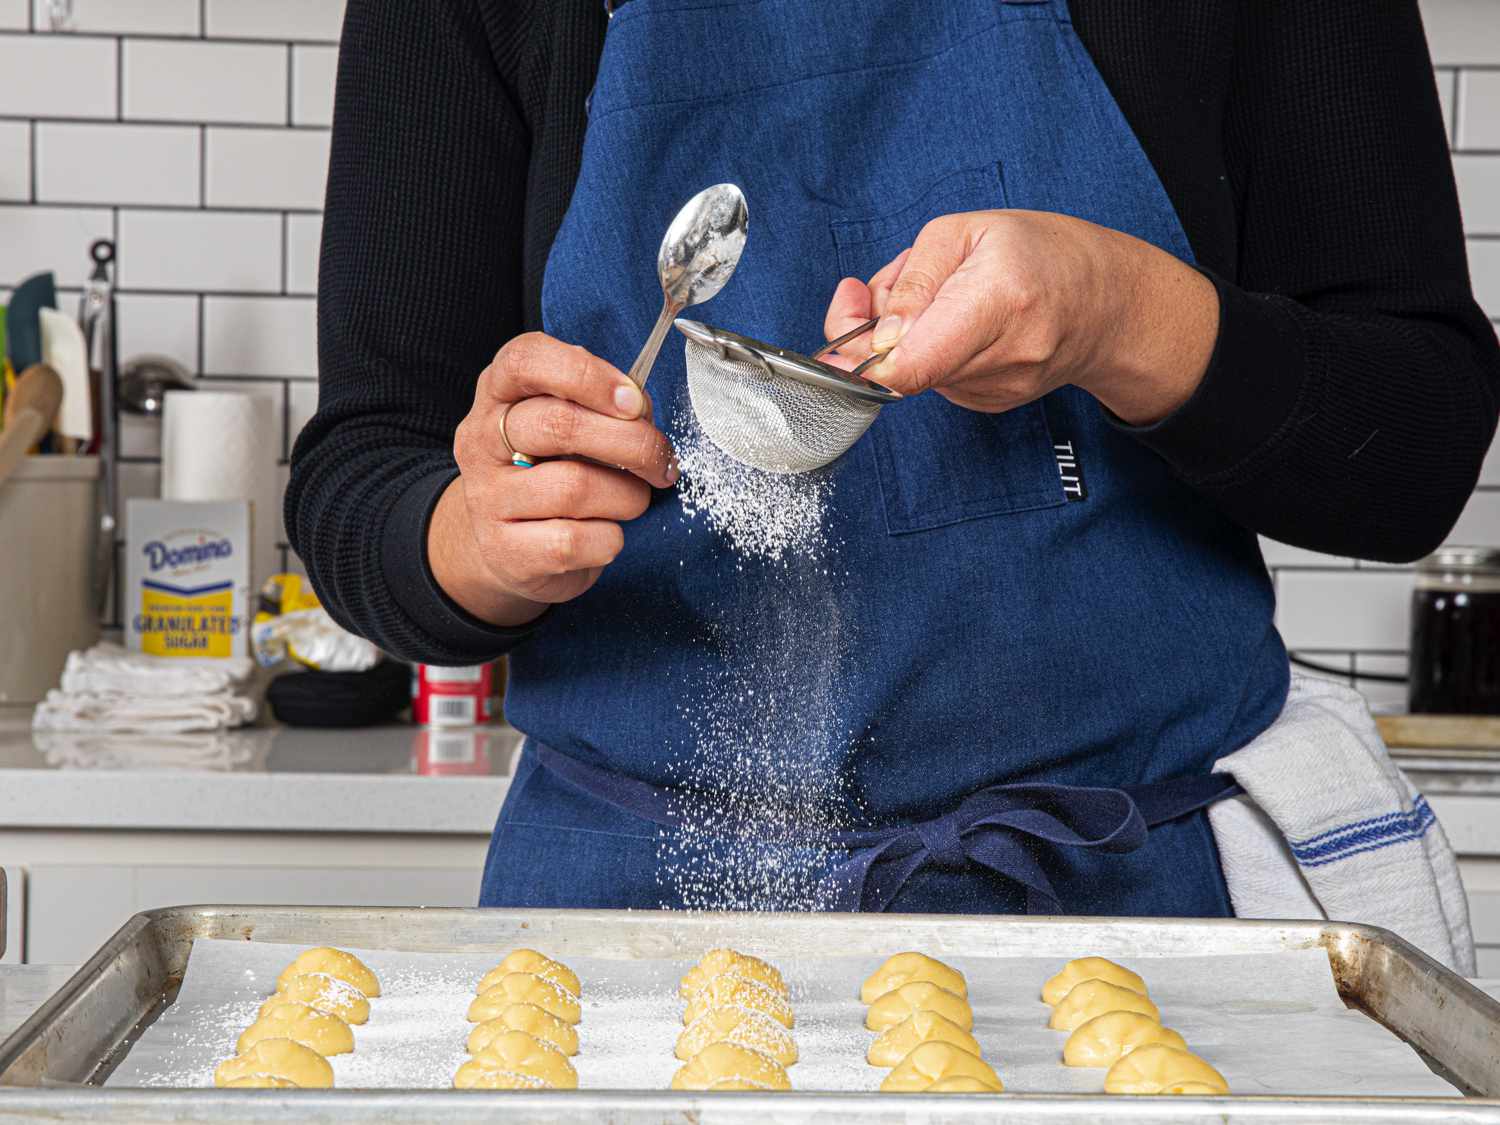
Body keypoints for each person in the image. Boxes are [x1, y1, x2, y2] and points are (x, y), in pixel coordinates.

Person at [288, 0, 1500, 916]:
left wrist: (1123, 316)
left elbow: (1419, 446)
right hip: (637, 926)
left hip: (1131, 899)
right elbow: (362, 473)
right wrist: (469, 539)